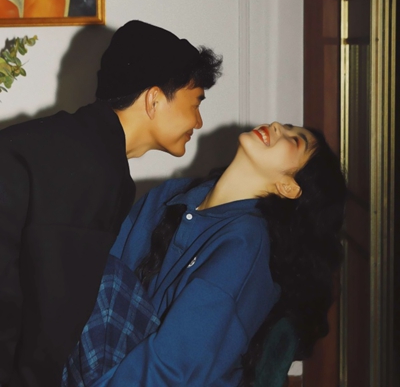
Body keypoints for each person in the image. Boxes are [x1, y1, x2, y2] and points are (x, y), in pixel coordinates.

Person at [0, 20, 222, 387]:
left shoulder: (79, 145)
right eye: (195, 102)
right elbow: (50, 319)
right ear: (154, 99)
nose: (198, 122)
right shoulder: (95, 170)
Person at [63, 122, 347, 386]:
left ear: (288, 187)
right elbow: (90, 282)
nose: (276, 126)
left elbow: (174, 368)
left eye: (294, 140)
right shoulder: (173, 194)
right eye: (285, 126)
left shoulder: (244, 246)